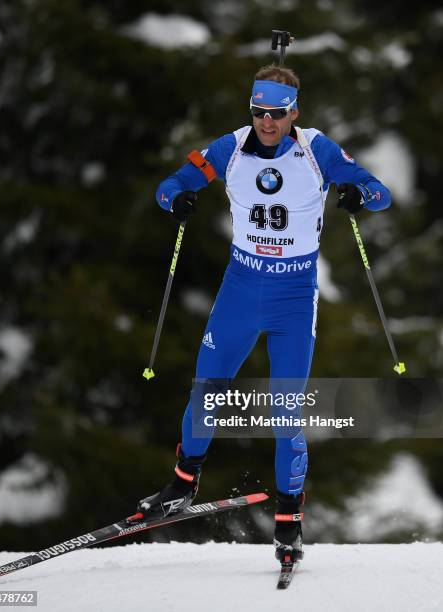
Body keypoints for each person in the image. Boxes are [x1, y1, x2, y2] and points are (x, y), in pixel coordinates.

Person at [138, 64, 391, 564]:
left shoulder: (316, 149)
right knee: (206, 388)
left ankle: (289, 521)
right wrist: (178, 199)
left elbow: (380, 193)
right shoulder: (229, 148)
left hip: (294, 296)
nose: (266, 122)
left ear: (294, 111)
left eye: (276, 113)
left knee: (286, 411)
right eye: (258, 112)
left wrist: (360, 193)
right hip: (241, 287)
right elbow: (170, 184)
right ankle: (181, 486)